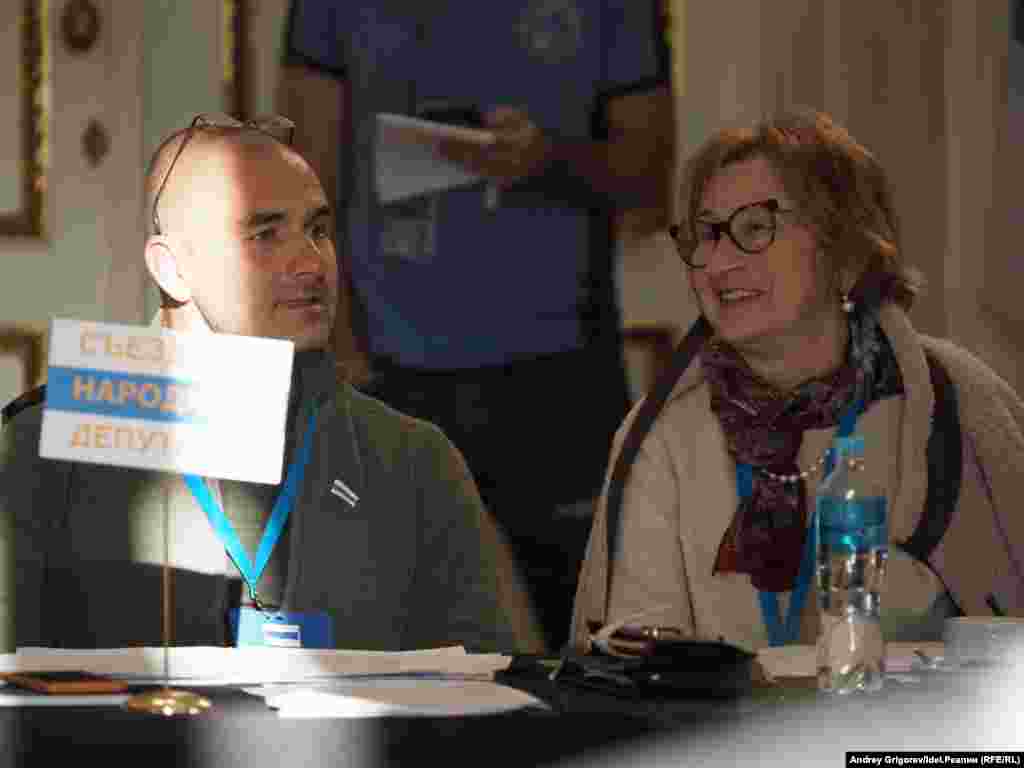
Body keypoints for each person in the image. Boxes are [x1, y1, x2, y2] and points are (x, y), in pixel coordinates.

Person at [0, 114, 541, 654]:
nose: (311, 262)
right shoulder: (41, 444)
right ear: (171, 269)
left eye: (318, 230)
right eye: (265, 234)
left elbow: (487, 682)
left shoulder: (414, 459)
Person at [280, 0, 674, 651]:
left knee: (574, 651)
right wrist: (337, 352)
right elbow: (304, 181)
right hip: (387, 370)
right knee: (390, 646)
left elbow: (651, 184)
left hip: (559, 375)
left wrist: (552, 160)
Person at [572, 109, 1024, 652]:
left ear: (844, 251)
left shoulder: (954, 403)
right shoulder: (660, 435)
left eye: (754, 228)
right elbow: (632, 672)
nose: (716, 263)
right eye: (706, 233)